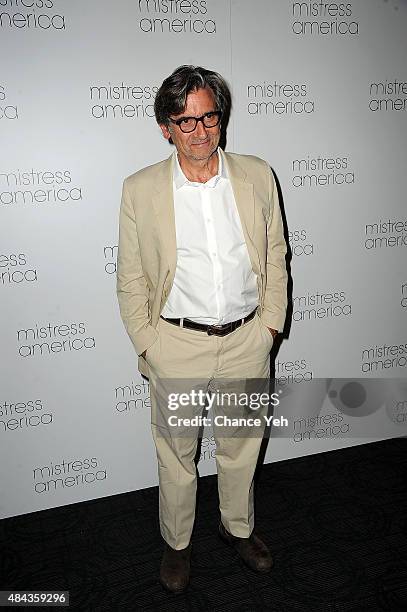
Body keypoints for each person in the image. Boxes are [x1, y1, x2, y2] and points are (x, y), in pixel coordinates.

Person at [117, 65, 287, 593]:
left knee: (241, 445)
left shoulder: (257, 174)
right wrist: (150, 343)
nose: (200, 131)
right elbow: (130, 276)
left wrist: (269, 327)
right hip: (176, 344)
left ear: (221, 117)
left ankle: (237, 528)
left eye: (209, 116)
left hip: (245, 341)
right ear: (166, 126)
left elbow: (276, 254)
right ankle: (177, 543)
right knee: (176, 455)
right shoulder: (140, 189)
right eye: (185, 121)